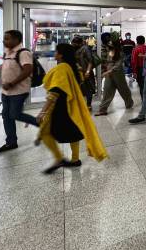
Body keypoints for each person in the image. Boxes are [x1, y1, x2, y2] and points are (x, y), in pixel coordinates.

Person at [36, 44, 108, 174]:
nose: (55, 53)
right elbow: (80, 80)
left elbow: (55, 92)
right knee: (73, 132)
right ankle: (75, 159)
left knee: (46, 132)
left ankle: (59, 158)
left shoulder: (62, 68)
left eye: (57, 51)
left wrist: (43, 111)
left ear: (61, 54)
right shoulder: (75, 67)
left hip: (61, 106)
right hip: (72, 105)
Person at [0, 30, 39, 154]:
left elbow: (27, 70)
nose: (4, 41)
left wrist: (12, 83)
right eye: (4, 38)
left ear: (17, 40)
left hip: (19, 90)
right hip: (6, 92)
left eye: (7, 39)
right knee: (6, 116)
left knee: (15, 114)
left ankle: (41, 124)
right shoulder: (8, 53)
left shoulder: (23, 53)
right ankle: (11, 142)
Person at [96, 39, 133, 116]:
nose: (109, 44)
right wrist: (104, 71)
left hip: (118, 74)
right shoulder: (107, 52)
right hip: (109, 74)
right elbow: (105, 63)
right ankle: (103, 109)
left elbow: (118, 65)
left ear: (115, 45)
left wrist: (108, 71)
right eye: (109, 43)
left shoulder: (120, 53)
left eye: (110, 43)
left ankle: (129, 103)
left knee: (123, 90)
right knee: (107, 90)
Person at [71, 36, 95, 111]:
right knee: (79, 89)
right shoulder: (75, 50)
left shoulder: (85, 49)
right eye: (73, 43)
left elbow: (90, 61)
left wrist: (87, 72)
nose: (73, 45)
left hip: (86, 72)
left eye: (75, 43)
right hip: (78, 73)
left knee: (88, 89)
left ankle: (88, 104)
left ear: (79, 43)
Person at [131, 35, 146, 101]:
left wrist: (134, 72)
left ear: (137, 41)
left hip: (140, 69)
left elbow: (134, 62)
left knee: (141, 86)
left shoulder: (136, 49)